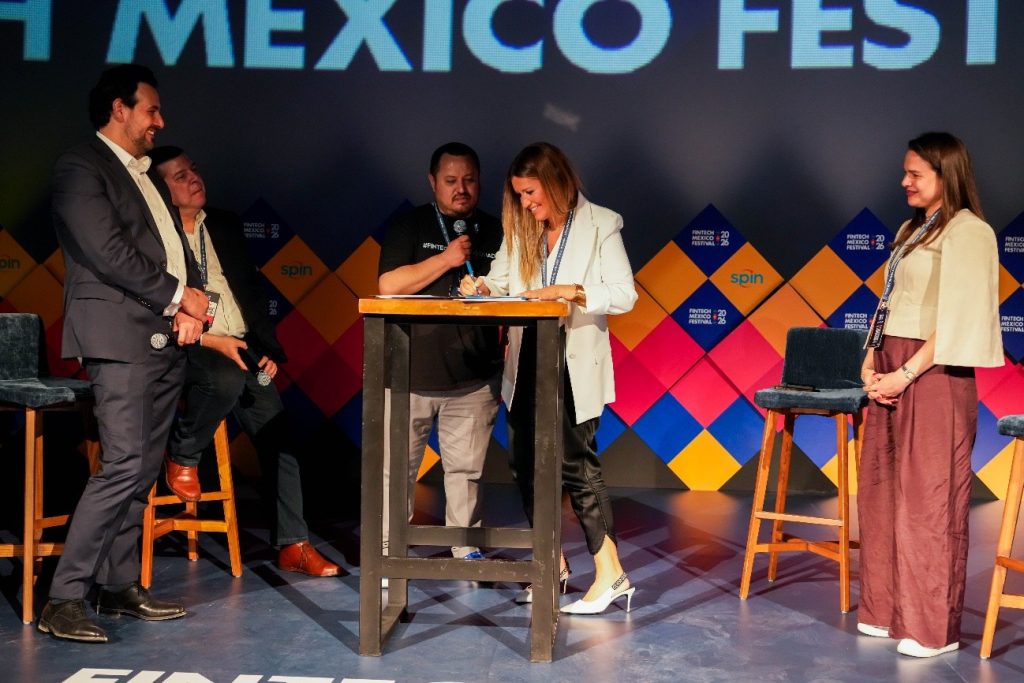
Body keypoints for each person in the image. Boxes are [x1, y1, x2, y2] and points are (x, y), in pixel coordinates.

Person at [41, 64, 210, 642]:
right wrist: (178, 297)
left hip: (162, 337)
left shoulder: (146, 175)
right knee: (121, 467)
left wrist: (190, 307)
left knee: (141, 471)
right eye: (151, 110)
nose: (160, 121)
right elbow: (108, 251)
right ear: (120, 109)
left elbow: (172, 249)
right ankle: (64, 597)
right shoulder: (80, 166)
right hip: (118, 338)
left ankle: (116, 585)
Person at [460, 142, 638, 614]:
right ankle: (550, 566)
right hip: (526, 361)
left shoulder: (602, 223)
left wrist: (569, 291)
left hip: (572, 362)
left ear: (557, 183)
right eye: (519, 194)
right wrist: (481, 285)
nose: (525, 204)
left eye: (531, 193)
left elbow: (624, 294)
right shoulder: (521, 228)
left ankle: (611, 574)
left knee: (577, 466)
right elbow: (501, 281)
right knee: (525, 464)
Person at [149, 145, 340, 578]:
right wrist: (209, 339)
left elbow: (251, 294)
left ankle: (294, 545)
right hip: (186, 345)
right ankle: (183, 455)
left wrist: (265, 349)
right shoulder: (154, 233)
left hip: (240, 344)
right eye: (180, 176)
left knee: (279, 433)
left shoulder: (225, 224)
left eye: (193, 170)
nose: (194, 179)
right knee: (223, 379)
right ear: (161, 191)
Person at [857, 132, 1003, 657]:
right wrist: (871, 358)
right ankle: (885, 609)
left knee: (928, 499)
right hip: (892, 362)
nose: (905, 182)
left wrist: (905, 373)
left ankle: (931, 629)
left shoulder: (970, 232)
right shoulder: (911, 229)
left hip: (933, 371)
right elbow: (890, 299)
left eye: (916, 173)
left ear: (947, 174)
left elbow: (960, 318)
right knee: (881, 492)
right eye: (905, 172)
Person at [377, 142, 504, 566]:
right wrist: (448, 260)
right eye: (451, 180)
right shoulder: (409, 224)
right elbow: (388, 286)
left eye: (469, 180)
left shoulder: (497, 230)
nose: (461, 188)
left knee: (466, 474)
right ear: (433, 182)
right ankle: (389, 550)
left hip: (474, 379)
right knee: (397, 473)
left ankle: (464, 546)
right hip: (409, 375)